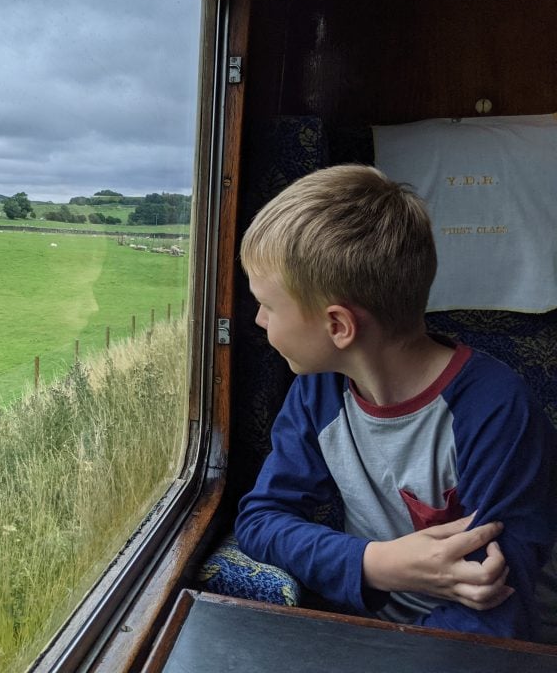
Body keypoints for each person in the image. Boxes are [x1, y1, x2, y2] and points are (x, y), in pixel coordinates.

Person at [234, 164, 557, 640]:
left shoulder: (493, 409)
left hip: (503, 642)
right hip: (385, 628)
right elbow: (260, 520)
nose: (259, 320)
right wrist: (377, 563)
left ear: (338, 326)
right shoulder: (319, 391)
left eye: (267, 305)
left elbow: (499, 599)